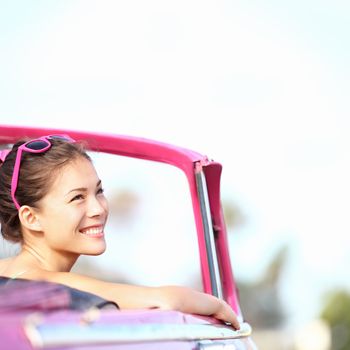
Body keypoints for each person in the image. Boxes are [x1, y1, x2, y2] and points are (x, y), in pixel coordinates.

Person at [0, 134, 239, 329]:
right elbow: (161, 302)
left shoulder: (13, 273)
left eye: (99, 191)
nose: (98, 208)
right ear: (31, 218)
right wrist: (219, 307)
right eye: (77, 198)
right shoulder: (48, 283)